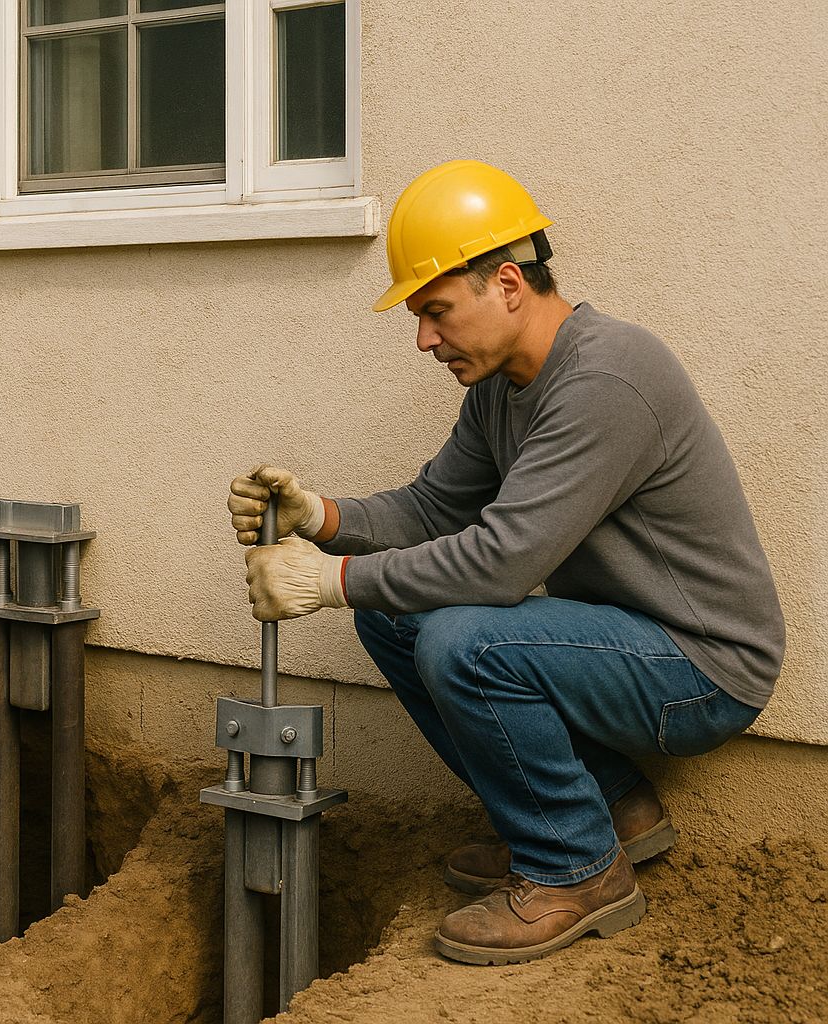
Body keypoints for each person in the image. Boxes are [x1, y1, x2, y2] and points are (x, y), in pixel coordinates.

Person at [228, 159, 783, 965]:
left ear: (510, 283)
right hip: (619, 641)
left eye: (437, 312)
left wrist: (328, 583)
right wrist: (321, 517)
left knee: (464, 640)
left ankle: (576, 866)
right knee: (395, 613)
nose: (424, 338)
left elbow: (499, 565)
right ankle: (610, 810)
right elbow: (430, 512)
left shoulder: (606, 378)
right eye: (419, 317)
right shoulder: (499, 389)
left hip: (704, 667)